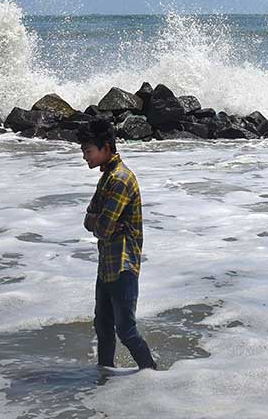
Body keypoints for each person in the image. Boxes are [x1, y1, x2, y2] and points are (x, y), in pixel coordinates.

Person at [78, 118, 157, 370]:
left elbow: (100, 227)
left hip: (123, 263)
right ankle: (106, 376)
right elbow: (89, 220)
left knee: (126, 330)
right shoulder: (107, 177)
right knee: (102, 326)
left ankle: (152, 374)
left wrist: (100, 222)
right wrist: (100, 221)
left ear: (105, 148)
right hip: (107, 264)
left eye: (88, 151)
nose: (85, 157)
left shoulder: (120, 179)